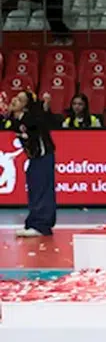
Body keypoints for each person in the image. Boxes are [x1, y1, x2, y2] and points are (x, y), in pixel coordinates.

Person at [2, 89, 57, 238]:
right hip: (33, 158)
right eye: (15, 97)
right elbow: (8, 123)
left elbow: (42, 120)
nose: (14, 100)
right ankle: (33, 223)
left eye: (20, 100)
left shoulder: (32, 118)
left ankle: (42, 226)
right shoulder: (15, 120)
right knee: (33, 190)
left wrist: (45, 106)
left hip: (43, 157)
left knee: (42, 190)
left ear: (26, 107)